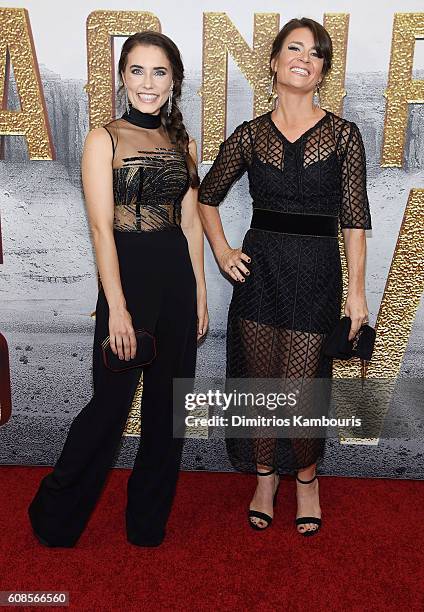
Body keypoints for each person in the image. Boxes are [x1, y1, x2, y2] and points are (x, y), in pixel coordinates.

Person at [28, 31, 208, 548]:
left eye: (159, 72)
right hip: (127, 283)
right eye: (137, 71)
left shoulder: (184, 143)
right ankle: (53, 517)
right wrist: (118, 311)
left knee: (167, 414)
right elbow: (102, 230)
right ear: (121, 77)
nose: (147, 83)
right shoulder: (102, 138)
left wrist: (198, 293)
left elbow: (191, 224)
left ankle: (146, 524)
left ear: (173, 81)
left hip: (176, 280)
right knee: (107, 413)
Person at [198, 17, 371, 536]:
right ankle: (265, 478)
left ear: (323, 71)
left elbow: (355, 218)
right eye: (294, 48)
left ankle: (308, 480)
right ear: (274, 62)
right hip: (261, 270)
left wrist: (357, 293)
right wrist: (223, 248)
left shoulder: (343, 135)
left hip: (317, 272)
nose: (304, 57)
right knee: (259, 386)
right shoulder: (249, 136)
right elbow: (206, 196)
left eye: (316, 52)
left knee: (301, 387)